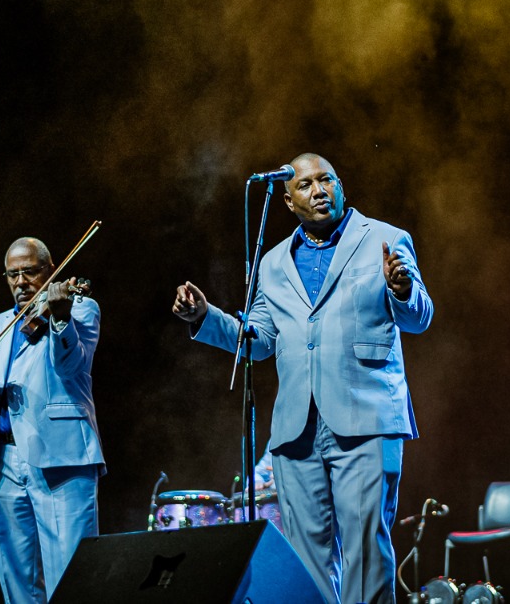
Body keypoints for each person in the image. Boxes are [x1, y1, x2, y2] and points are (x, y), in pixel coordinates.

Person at [173, 153, 434, 604]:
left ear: (340, 185)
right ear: (289, 201)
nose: (319, 190)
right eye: (306, 185)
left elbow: (420, 317)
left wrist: (404, 290)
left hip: (365, 418)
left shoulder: (386, 239)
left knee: (366, 555)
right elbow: (257, 341)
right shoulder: (273, 262)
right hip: (297, 430)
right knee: (307, 561)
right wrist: (205, 316)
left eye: (326, 180)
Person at [0, 237, 104, 604]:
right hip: (2, 461)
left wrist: (60, 318)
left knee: (70, 574)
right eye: (12, 274)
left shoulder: (80, 308)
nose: (20, 282)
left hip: (61, 458)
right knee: (16, 576)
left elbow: (72, 366)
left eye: (30, 272)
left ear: (51, 270)